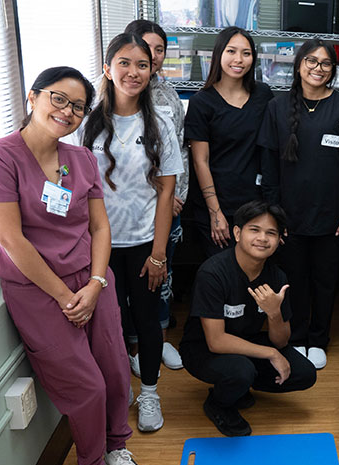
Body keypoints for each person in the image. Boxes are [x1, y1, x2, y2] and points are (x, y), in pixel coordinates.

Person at [0, 66, 143, 465]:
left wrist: (95, 283)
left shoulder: (81, 159)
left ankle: (116, 447)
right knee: (83, 384)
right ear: (32, 97)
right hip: (36, 290)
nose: (67, 111)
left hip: (92, 281)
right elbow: (12, 240)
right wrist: (64, 296)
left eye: (77, 106)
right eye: (58, 99)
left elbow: (100, 227)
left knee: (113, 368)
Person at [82, 33, 182, 433]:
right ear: (108, 69)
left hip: (143, 243)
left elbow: (167, 190)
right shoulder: (87, 124)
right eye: (124, 63)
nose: (133, 72)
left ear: (152, 70)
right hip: (97, 247)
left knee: (146, 320)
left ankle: (151, 393)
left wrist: (158, 254)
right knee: (110, 323)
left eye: (142, 64)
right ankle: (119, 387)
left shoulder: (158, 123)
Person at [258, 39, 339, 370]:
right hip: (289, 215)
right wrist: (273, 215)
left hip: (331, 218)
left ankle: (319, 339)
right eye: (311, 61)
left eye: (326, 63)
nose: (318, 68)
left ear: (333, 70)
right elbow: (269, 166)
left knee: (326, 280)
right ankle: (297, 337)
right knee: (294, 280)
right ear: (299, 65)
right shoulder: (277, 107)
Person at [179, 201, 316, 437]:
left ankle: (239, 386)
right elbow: (216, 341)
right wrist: (271, 354)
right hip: (202, 348)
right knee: (240, 371)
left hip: (246, 340)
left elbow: (281, 341)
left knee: (304, 373)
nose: (263, 238)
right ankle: (219, 403)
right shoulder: (213, 273)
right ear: (237, 232)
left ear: (278, 240)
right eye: (255, 230)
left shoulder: (277, 276)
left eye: (271, 233)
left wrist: (274, 313)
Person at [124, 19, 190, 372]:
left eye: (158, 50)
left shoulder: (168, 96)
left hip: (168, 204)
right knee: (130, 284)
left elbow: (179, 147)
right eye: (145, 49)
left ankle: (160, 339)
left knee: (161, 276)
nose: (152, 56)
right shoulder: (117, 97)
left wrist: (176, 193)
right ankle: (135, 345)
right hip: (130, 211)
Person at [185, 26, 274, 257]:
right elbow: (200, 161)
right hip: (217, 204)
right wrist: (216, 213)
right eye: (231, 51)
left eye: (246, 53)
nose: (239, 59)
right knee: (221, 275)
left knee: (253, 273)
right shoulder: (201, 102)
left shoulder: (263, 95)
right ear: (219, 55)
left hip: (254, 204)